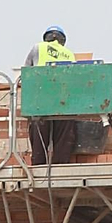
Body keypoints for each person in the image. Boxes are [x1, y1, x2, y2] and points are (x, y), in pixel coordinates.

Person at [25, 25, 78, 165]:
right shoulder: (69, 54)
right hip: (63, 101)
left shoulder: (38, 48)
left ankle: (38, 165)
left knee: (39, 135)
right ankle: (60, 165)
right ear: (62, 40)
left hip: (41, 100)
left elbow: (26, 73)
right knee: (63, 135)